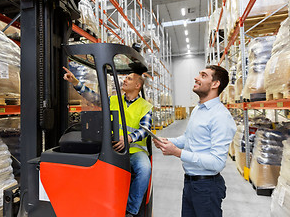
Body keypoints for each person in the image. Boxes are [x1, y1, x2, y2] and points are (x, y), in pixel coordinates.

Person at [63, 66, 153, 217]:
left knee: (145, 170)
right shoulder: (114, 100)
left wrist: (129, 138)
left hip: (135, 151)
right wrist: (75, 82)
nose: (124, 80)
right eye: (125, 78)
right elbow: (94, 97)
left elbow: (145, 129)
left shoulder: (145, 106)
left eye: (129, 78)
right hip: (112, 148)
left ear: (138, 85)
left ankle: (130, 210)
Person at [153, 65, 236, 217]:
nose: (196, 78)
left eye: (203, 76)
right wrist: (167, 141)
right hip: (191, 183)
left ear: (215, 84)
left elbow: (217, 162)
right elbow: (189, 138)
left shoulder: (221, 117)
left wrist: (177, 153)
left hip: (207, 188)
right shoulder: (198, 109)